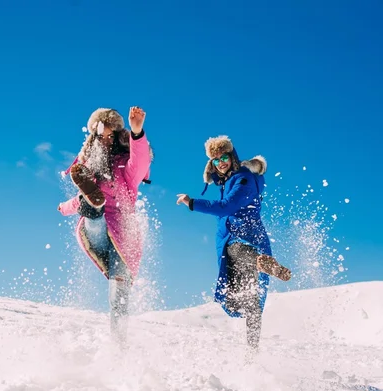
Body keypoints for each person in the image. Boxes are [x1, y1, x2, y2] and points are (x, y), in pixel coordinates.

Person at [176, 135, 290, 350]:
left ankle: (258, 261)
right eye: (216, 160)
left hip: (243, 238)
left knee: (236, 251)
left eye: (224, 157)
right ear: (212, 164)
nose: (221, 163)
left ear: (233, 156)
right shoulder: (230, 181)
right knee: (246, 301)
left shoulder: (243, 179)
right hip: (249, 240)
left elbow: (226, 206)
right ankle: (251, 356)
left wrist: (192, 202)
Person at [57, 106, 152, 346]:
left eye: (112, 136)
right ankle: (93, 204)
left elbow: (140, 162)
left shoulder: (126, 169)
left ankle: (118, 346)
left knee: (118, 297)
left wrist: (137, 133)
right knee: (91, 208)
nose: (107, 141)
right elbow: (76, 201)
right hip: (97, 234)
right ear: (94, 137)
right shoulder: (90, 169)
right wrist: (64, 207)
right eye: (102, 136)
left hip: (123, 240)